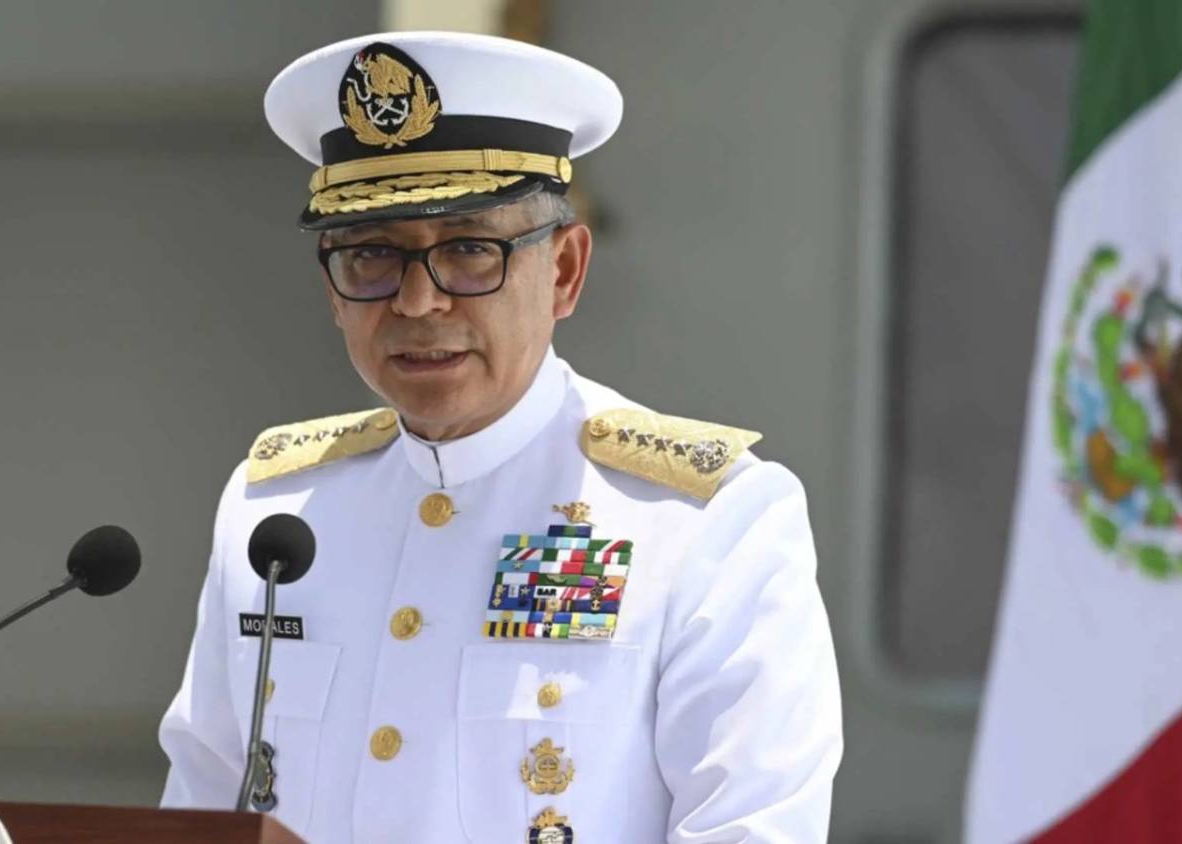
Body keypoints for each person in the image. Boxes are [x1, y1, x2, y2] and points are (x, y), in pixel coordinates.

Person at [157, 31, 843, 843]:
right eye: (373, 255)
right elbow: (201, 811)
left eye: (469, 252)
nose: (417, 302)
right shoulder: (274, 508)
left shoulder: (704, 521)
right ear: (333, 292)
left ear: (564, 272)